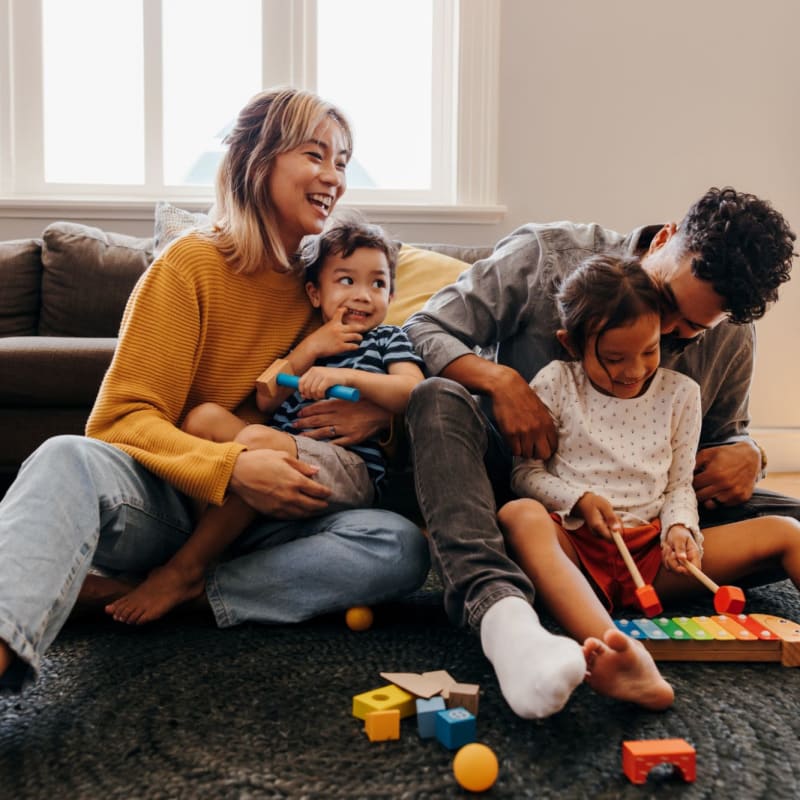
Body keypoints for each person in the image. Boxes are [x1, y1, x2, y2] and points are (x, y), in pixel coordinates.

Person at [0, 87, 430, 692]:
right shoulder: (188, 268)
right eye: (316, 155)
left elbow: (382, 383)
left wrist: (375, 422)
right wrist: (231, 468)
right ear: (259, 160)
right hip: (173, 502)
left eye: (342, 161)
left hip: (279, 518)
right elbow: (119, 421)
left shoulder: (327, 286)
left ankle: (184, 592)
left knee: (399, 546)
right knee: (64, 457)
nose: (333, 177)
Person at [403, 186, 797, 719]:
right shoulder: (544, 256)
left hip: (653, 519)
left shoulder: (730, 337)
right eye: (669, 306)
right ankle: (503, 611)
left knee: (788, 522)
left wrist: (747, 452)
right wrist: (502, 382)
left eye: (687, 333)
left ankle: (580, 597)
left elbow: (722, 436)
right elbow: (422, 328)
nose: (664, 336)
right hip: (531, 498)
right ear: (664, 240)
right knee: (436, 400)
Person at [498, 253, 800, 712]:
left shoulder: (682, 394)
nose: (634, 370)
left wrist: (680, 528)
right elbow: (526, 475)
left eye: (650, 351)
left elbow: (680, 487)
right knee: (517, 515)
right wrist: (578, 500)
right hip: (577, 549)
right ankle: (618, 650)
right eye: (614, 358)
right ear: (572, 344)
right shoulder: (556, 382)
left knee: (788, 531)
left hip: (657, 557)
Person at [104, 215, 425, 625]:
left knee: (258, 440)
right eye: (346, 281)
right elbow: (266, 395)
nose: (362, 295)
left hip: (345, 467)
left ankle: (187, 570)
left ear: (391, 295)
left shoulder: (387, 339)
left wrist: (346, 376)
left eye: (377, 283)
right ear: (314, 292)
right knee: (204, 418)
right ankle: (218, 553)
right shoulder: (307, 339)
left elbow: (412, 391)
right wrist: (310, 349)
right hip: (277, 459)